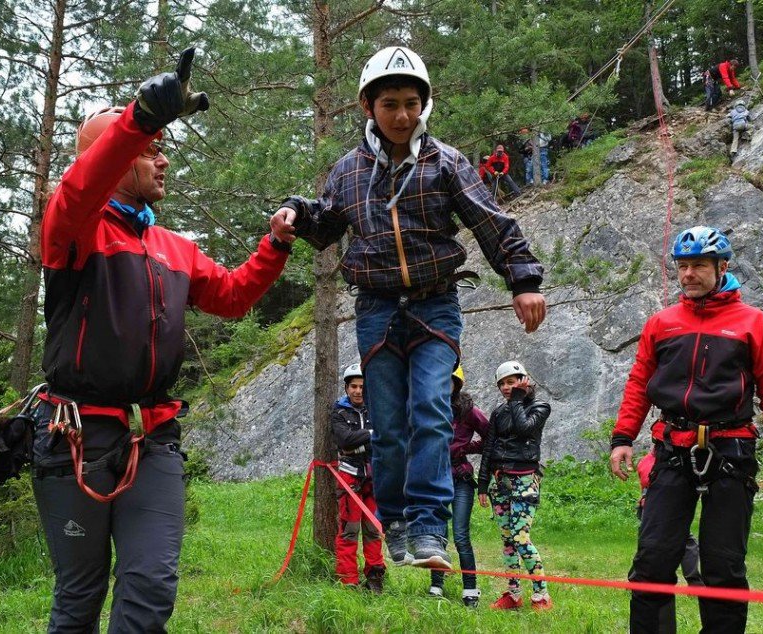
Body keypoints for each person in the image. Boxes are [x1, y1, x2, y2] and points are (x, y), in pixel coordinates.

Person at [33, 48, 291, 632]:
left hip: (152, 438)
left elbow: (231, 296)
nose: (164, 160)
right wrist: (139, 121)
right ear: (117, 159)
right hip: (77, 436)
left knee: (150, 588)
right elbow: (77, 190)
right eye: (152, 152)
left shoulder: (173, 247)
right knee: (79, 596)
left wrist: (274, 244)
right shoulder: (73, 230)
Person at [271, 46, 546, 570]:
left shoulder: (446, 162)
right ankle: (395, 520)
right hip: (375, 309)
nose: (402, 115)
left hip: (435, 304)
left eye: (412, 103)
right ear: (368, 106)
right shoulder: (348, 171)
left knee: (431, 409)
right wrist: (296, 215)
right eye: (390, 103)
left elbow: (491, 222)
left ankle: (427, 526)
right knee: (389, 424)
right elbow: (327, 223)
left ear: (425, 105)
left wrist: (523, 279)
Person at [609, 226, 763, 633]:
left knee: (723, 567)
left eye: (698, 265)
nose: (688, 274)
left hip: (730, 451)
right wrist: (623, 438)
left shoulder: (754, 323)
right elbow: (639, 383)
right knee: (652, 562)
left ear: (722, 267)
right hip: (672, 450)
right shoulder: (662, 323)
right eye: (682, 266)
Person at [477, 361, 552, 611]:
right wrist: (482, 483)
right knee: (507, 539)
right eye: (503, 384)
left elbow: (524, 429)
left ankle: (541, 594)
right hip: (500, 482)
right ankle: (514, 593)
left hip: (525, 479)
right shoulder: (499, 412)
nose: (508, 387)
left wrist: (518, 400)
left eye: (513, 381)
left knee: (521, 537)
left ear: (524, 380)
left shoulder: (540, 406)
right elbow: (488, 447)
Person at [428, 365, 490, 607]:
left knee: (461, 536)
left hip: (461, 479)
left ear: (457, 384)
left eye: (450, 381)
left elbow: (490, 435)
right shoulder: (429, 406)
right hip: (435, 480)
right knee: (437, 535)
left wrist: (466, 448)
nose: (445, 385)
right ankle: (436, 584)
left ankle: (470, 590)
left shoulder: (467, 410)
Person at [332, 363, 386, 593]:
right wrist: (371, 436)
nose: (357, 391)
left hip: (375, 479)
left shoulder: (378, 410)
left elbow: (387, 439)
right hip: (349, 478)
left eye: (361, 386)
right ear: (346, 388)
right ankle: (348, 580)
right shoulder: (338, 412)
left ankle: (375, 576)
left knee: (374, 530)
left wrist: (360, 440)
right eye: (353, 386)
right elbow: (344, 440)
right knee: (349, 530)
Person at [636, 449, 703, 633]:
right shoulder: (649, 460)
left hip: (663, 506)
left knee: (676, 542)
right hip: (654, 505)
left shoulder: (650, 460)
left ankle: (695, 582)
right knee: (650, 549)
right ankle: (636, 580)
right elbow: (647, 478)